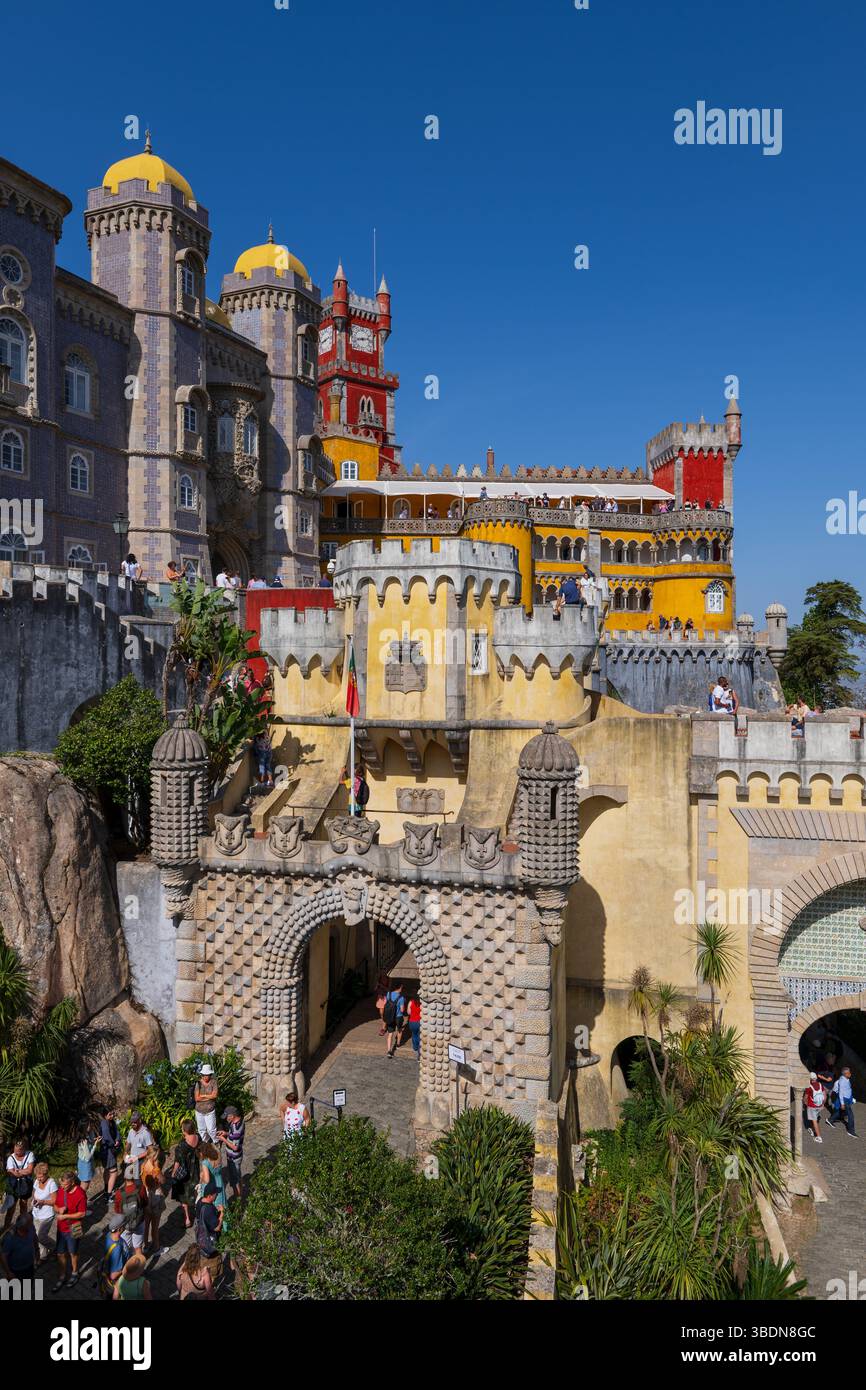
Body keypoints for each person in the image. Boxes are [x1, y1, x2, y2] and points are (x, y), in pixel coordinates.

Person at [51, 1170, 86, 1291]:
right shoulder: (61, 1190)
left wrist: (65, 1216)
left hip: (75, 1227)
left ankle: (75, 1272)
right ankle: (62, 1275)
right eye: (61, 1184)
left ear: (72, 1183)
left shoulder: (80, 1194)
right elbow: (55, 1205)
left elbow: (82, 1213)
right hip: (61, 1227)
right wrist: (59, 1208)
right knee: (60, 1253)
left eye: (65, 1185)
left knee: (73, 1252)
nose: (62, 1187)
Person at [170, 1119, 201, 1228]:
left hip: (185, 1173)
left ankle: (187, 1219)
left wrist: (173, 1173)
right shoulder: (198, 1137)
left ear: (184, 1130)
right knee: (197, 1193)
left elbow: (177, 1161)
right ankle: (199, 1215)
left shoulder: (181, 1145)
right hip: (196, 1170)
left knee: (183, 1196)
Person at [112, 1162, 147, 1256]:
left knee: (126, 1248)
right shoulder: (141, 1188)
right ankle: (140, 1269)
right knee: (138, 1248)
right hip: (139, 1221)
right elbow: (145, 1203)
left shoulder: (119, 1193)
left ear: (124, 1176)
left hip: (125, 1223)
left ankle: (126, 1268)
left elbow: (117, 1211)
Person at [195, 1181, 223, 1284]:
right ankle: (210, 1285)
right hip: (210, 1242)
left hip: (201, 1237)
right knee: (212, 1267)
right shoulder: (208, 1210)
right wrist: (221, 1214)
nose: (217, 1195)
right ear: (210, 1195)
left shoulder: (200, 1202)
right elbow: (217, 1228)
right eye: (215, 1194)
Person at [4, 1137, 35, 1230]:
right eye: (15, 1148)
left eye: (19, 1149)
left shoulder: (30, 1154)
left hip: (25, 1185)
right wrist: (22, 1172)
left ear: (24, 1148)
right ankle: (6, 1228)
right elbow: (11, 1172)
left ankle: (22, 1226)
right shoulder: (11, 1158)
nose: (17, 1151)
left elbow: (30, 1170)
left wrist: (18, 1171)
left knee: (24, 1205)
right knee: (11, 1208)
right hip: (13, 1185)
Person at [0, 1213, 37, 1286]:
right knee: (13, 1292)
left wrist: (37, 1249)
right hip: (16, 1270)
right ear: (23, 1226)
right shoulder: (10, 1238)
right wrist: (8, 1272)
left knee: (27, 1287)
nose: (32, 1224)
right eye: (30, 1223)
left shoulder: (31, 1228)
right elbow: (3, 1256)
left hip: (29, 1266)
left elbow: (34, 1237)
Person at [31, 1162, 58, 1263]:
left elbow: (54, 1201)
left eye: (41, 1177)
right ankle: (43, 1255)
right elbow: (34, 1192)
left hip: (47, 1215)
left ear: (46, 1174)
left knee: (41, 1236)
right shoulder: (37, 1181)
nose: (39, 1179)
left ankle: (55, 1247)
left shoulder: (52, 1184)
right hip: (36, 1213)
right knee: (36, 1235)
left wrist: (43, 1201)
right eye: (37, 1177)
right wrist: (34, 1200)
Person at [217, 1106, 245, 1202]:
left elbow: (235, 1147)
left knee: (235, 1180)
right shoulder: (237, 1122)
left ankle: (238, 1199)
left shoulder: (236, 1128)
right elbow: (233, 1136)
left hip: (234, 1157)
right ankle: (239, 1195)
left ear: (232, 1116)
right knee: (237, 1177)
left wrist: (223, 1139)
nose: (226, 1119)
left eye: (227, 1116)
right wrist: (226, 1133)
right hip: (234, 1156)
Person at [98, 1213, 127, 1299]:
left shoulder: (109, 1235)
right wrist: (126, 1269)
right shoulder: (117, 1249)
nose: (125, 1226)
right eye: (124, 1225)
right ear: (119, 1228)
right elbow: (113, 1275)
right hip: (116, 1282)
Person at [123, 1112, 154, 1182]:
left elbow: (150, 1150)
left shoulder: (145, 1133)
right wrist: (125, 1152)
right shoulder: (131, 1131)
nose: (132, 1124)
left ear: (139, 1121)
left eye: (134, 1122)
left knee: (138, 1182)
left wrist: (137, 1157)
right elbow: (128, 1143)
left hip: (141, 1161)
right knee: (128, 1180)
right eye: (131, 1122)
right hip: (131, 1159)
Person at [99, 1105, 121, 1199]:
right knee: (114, 1172)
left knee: (107, 1170)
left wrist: (117, 1139)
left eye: (112, 1113)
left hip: (109, 1149)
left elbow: (117, 1132)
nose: (112, 1115)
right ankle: (108, 1194)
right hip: (108, 1151)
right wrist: (114, 1143)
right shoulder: (104, 1124)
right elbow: (106, 1138)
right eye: (110, 1114)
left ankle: (106, 1189)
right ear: (105, 1115)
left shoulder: (111, 1122)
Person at [828, 1067, 857, 1137]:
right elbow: (840, 1093)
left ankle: (830, 1120)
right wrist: (842, 1103)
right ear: (844, 1074)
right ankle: (851, 1130)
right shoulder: (842, 1081)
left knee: (840, 1112)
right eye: (848, 1073)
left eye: (850, 1072)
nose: (850, 1073)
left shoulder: (847, 1079)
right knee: (851, 1115)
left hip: (848, 1098)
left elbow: (848, 1089)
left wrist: (851, 1098)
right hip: (844, 1099)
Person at [76, 1120, 100, 1202]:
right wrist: (95, 1145)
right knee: (84, 1187)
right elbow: (88, 1157)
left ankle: (82, 1202)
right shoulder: (84, 1141)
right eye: (89, 1125)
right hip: (85, 1165)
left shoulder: (85, 1136)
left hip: (84, 1163)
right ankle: (80, 1205)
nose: (90, 1126)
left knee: (85, 1185)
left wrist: (94, 1139)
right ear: (84, 1128)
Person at [194, 1063, 219, 1142]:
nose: (206, 1076)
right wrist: (208, 1097)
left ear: (210, 1074)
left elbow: (214, 1095)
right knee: (202, 1129)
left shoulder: (213, 1082)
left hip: (209, 1111)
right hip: (199, 1111)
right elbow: (197, 1098)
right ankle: (205, 1142)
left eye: (207, 1075)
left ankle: (216, 1141)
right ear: (202, 1074)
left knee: (211, 1129)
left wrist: (203, 1095)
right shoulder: (198, 1083)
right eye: (204, 1075)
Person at [142, 1172, 166, 1255]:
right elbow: (162, 1205)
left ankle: (145, 1246)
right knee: (155, 1229)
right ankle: (156, 1248)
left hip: (147, 1212)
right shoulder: (158, 1191)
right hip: (156, 1213)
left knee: (146, 1228)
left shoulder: (145, 1189)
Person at [384, 982, 405, 1057]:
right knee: (399, 1030)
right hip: (398, 1017)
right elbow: (402, 1010)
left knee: (390, 1033)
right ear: (399, 988)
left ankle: (389, 1051)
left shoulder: (388, 994)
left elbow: (385, 1003)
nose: (401, 989)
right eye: (401, 988)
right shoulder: (401, 997)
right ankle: (398, 1044)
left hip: (390, 1016)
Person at [804, 1072, 826, 1144]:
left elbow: (806, 1097)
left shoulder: (809, 1087)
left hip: (812, 1106)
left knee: (814, 1121)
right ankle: (813, 1130)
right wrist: (823, 1104)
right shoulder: (820, 1085)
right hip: (819, 1106)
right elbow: (824, 1095)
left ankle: (819, 1137)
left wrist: (805, 1103)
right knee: (815, 1119)